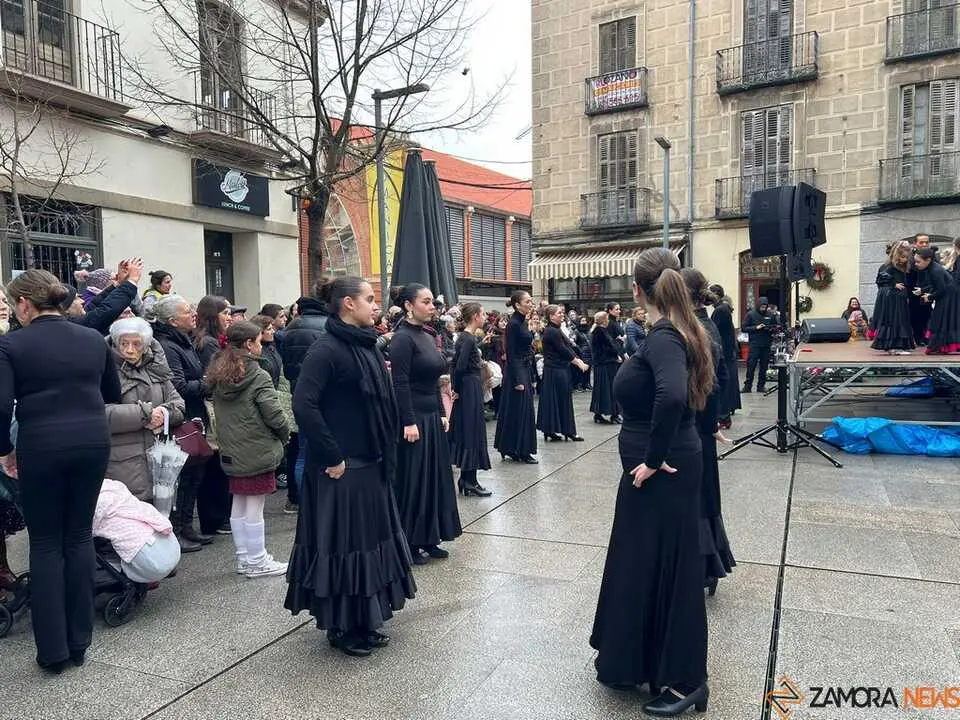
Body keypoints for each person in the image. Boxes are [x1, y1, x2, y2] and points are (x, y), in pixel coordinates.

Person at [590, 248, 712, 715]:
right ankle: (645, 660)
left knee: (672, 567)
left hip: (662, 469)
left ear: (638, 289)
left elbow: (673, 396)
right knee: (647, 560)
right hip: (664, 465)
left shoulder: (663, 335)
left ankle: (686, 682)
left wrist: (653, 458)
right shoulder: (681, 329)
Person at [285, 276, 416, 657]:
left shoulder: (369, 346)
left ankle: (365, 620)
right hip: (341, 470)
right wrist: (331, 456)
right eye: (370, 299)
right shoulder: (325, 349)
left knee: (368, 545)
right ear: (347, 304)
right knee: (343, 548)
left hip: (371, 463)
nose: (376, 306)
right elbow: (303, 405)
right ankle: (342, 627)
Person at [0, 269, 122, 673]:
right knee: (80, 536)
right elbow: (112, 394)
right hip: (91, 442)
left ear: (23, 304)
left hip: (42, 445)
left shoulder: (10, 345)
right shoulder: (92, 338)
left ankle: (53, 651)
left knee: (47, 543)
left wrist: (5, 450)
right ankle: (80, 640)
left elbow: (1, 408)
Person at [208, 321, 290, 577]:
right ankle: (257, 560)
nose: (260, 345)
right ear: (248, 344)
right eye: (257, 341)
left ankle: (245, 557)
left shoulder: (219, 371)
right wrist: (284, 434)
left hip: (232, 448)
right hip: (257, 448)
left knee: (240, 503)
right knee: (255, 506)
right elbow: (274, 414)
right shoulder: (257, 374)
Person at [390, 284, 462, 565]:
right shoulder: (402, 339)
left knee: (433, 479)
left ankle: (430, 537)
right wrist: (408, 421)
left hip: (431, 416)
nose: (433, 306)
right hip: (414, 419)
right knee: (415, 481)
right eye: (426, 301)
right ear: (409, 305)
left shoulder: (427, 335)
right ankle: (410, 541)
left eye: (433, 302)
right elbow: (400, 383)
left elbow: (434, 377)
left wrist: (441, 412)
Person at [682, 269, 736, 596]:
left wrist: (707, 421)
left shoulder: (698, 328)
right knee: (702, 495)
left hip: (694, 426)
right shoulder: (707, 323)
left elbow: (712, 381)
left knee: (697, 497)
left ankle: (702, 567)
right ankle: (704, 567)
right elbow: (723, 376)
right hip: (702, 424)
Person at [151, 295, 210, 552]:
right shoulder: (167, 345)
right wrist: (210, 382)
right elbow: (179, 386)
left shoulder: (183, 342)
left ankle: (187, 525)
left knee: (194, 477)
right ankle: (176, 530)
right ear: (173, 320)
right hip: (180, 421)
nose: (193, 314)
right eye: (188, 312)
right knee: (180, 478)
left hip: (195, 418)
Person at [105, 317, 186, 501]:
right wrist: (146, 414)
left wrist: (164, 414)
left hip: (157, 459)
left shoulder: (155, 369)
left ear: (147, 345)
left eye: (136, 344)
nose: (130, 349)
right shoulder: (105, 370)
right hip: (122, 462)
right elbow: (99, 413)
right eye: (123, 343)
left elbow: (179, 405)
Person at [92, 479, 181, 584]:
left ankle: (139, 576)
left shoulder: (94, 502)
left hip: (149, 560)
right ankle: (158, 571)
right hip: (171, 547)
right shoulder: (114, 485)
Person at [450, 303, 493, 497]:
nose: (485, 317)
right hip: (469, 388)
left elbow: (456, 364)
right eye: (483, 314)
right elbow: (459, 366)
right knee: (472, 431)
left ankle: (468, 480)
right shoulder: (467, 339)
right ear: (475, 316)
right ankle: (469, 481)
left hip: (467, 386)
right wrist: (457, 389)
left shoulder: (465, 338)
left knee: (471, 431)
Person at [494, 291, 539, 464]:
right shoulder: (513, 323)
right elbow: (511, 352)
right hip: (517, 369)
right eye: (527, 301)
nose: (530, 303)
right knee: (521, 410)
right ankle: (520, 449)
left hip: (523, 367)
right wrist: (517, 380)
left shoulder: (521, 321)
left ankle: (513, 447)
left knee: (519, 410)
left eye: (530, 301)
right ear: (518, 305)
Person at [537, 304, 588, 442]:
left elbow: (568, 346)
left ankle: (554, 430)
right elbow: (563, 350)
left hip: (557, 369)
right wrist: (578, 362)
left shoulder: (555, 330)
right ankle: (567, 431)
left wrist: (578, 360)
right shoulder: (552, 331)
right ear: (551, 316)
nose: (561, 315)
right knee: (561, 400)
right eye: (559, 313)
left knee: (558, 400)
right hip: (555, 370)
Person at [871, 240, 916, 354]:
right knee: (895, 320)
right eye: (903, 257)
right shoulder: (890, 266)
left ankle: (897, 346)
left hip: (898, 297)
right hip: (893, 298)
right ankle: (894, 347)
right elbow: (880, 280)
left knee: (899, 320)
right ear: (897, 255)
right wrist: (893, 284)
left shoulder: (897, 266)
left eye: (906, 257)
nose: (905, 260)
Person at [913, 246, 959, 354]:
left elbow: (942, 289)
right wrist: (923, 290)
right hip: (946, 296)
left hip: (948, 297)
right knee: (941, 320)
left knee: (940, 320)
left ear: (927, 260)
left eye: (918, 262)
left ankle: (938, 346)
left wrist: (929, 297)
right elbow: (936, 285)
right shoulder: (933, 268)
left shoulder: (935, 270)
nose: (916, 264)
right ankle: (941, 346)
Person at [709, 286, 741, 429]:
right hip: (727, 351)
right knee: (726, 382)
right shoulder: (723, 308)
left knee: (723, 384)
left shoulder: (720, 310)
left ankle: (723, 416)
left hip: (724, 352)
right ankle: (725, 414)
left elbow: (712, 330)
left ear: (716, 295)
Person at [590, 311, 622, 424]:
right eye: (607, 318)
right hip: (606, 364)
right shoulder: (601, 332)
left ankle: (599, 413)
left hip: (602, 363)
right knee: (609, 389)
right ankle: (614, 414)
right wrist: (618, 343)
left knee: (602, 390)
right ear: (604, 320)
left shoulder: (598, 331)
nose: (608, 320)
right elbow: (610, 346)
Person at [741, 297, 774, 393]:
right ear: (758, 305)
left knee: (764, 366)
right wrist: (756, 327)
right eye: (762, 306)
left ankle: (761, 386)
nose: (763, 308)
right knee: (751, 365)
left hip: (766, 344)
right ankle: (747, 386)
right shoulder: (750, 314)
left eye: (765, 306)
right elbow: (744, 328)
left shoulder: (770, 315)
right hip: (754, 344)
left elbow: (775, 325)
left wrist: (770, 328)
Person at [908, 233, 934, 345]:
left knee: (928, 315)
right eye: (921, 242)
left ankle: (925, 337)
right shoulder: (910, 258)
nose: (924, 244)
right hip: (913, 293)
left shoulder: (932, 257)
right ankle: (917, 338)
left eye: (926, 242)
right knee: (915, 315)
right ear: (915, 243)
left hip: (929, 292)